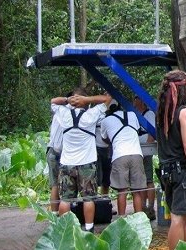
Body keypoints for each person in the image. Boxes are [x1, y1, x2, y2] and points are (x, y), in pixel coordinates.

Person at [51, 88, 111, 232]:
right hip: (87, 164)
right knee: (88, 198)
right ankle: (89, 229)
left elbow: (53, 101)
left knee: (66, 199)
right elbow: (107, 98)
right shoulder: (90, 115)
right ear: (85, 103)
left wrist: (68, 100)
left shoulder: (64, 114)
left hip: (67, 164)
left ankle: (65, 230)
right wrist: (87, 99)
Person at [157, 70, 186, 250]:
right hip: (181, 171)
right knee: (177, 217)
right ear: (184, 89)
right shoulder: (184, 112)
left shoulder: (162, 111)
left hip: (167, 170)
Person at [100, 102, 146, 216]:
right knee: (137, 191)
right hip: (136, 154)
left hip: (119, 156)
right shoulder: (132, 115)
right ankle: (139, 220)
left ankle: (121, 220)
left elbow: (104, 139)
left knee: (122, 191)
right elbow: (136, 129)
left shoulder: (105, 121)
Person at [134, 96, 157, 220]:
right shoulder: (137, 115)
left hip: (146, 150)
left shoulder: (149, 114)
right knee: (141, 180)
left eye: (136, 99)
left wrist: (147, 148)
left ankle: (151, 207)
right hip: (138, 149)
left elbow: (152, 133)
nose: (134, 102)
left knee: (148, 179)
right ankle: (142, 206)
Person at [46, 106, 63, 213]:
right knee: (61, 185)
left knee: (55, 185)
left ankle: (54, 214)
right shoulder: (66, 115)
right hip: (60, 152)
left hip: (51, 150)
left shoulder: (58, 114)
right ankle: (60, 213)